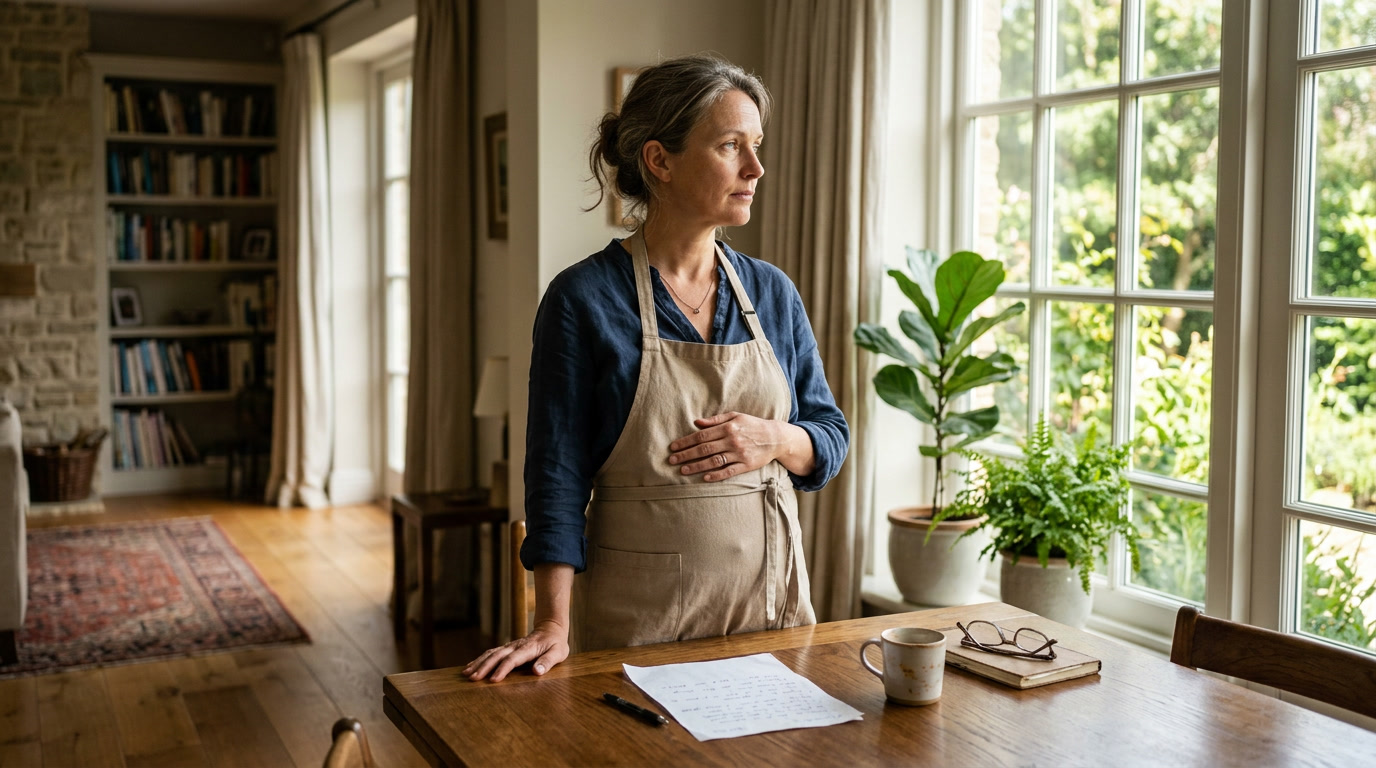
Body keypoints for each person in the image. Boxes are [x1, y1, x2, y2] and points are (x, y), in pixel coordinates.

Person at [464, 53, 849, 682]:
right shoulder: (583, 299)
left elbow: (830, 436)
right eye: (731, 146)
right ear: (659, 161)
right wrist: (552, 624)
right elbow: (557, 476)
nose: (756, 168)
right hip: (638, 629)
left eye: (756, 146)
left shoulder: (772, 293)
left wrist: (776, 439)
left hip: (771, 617)